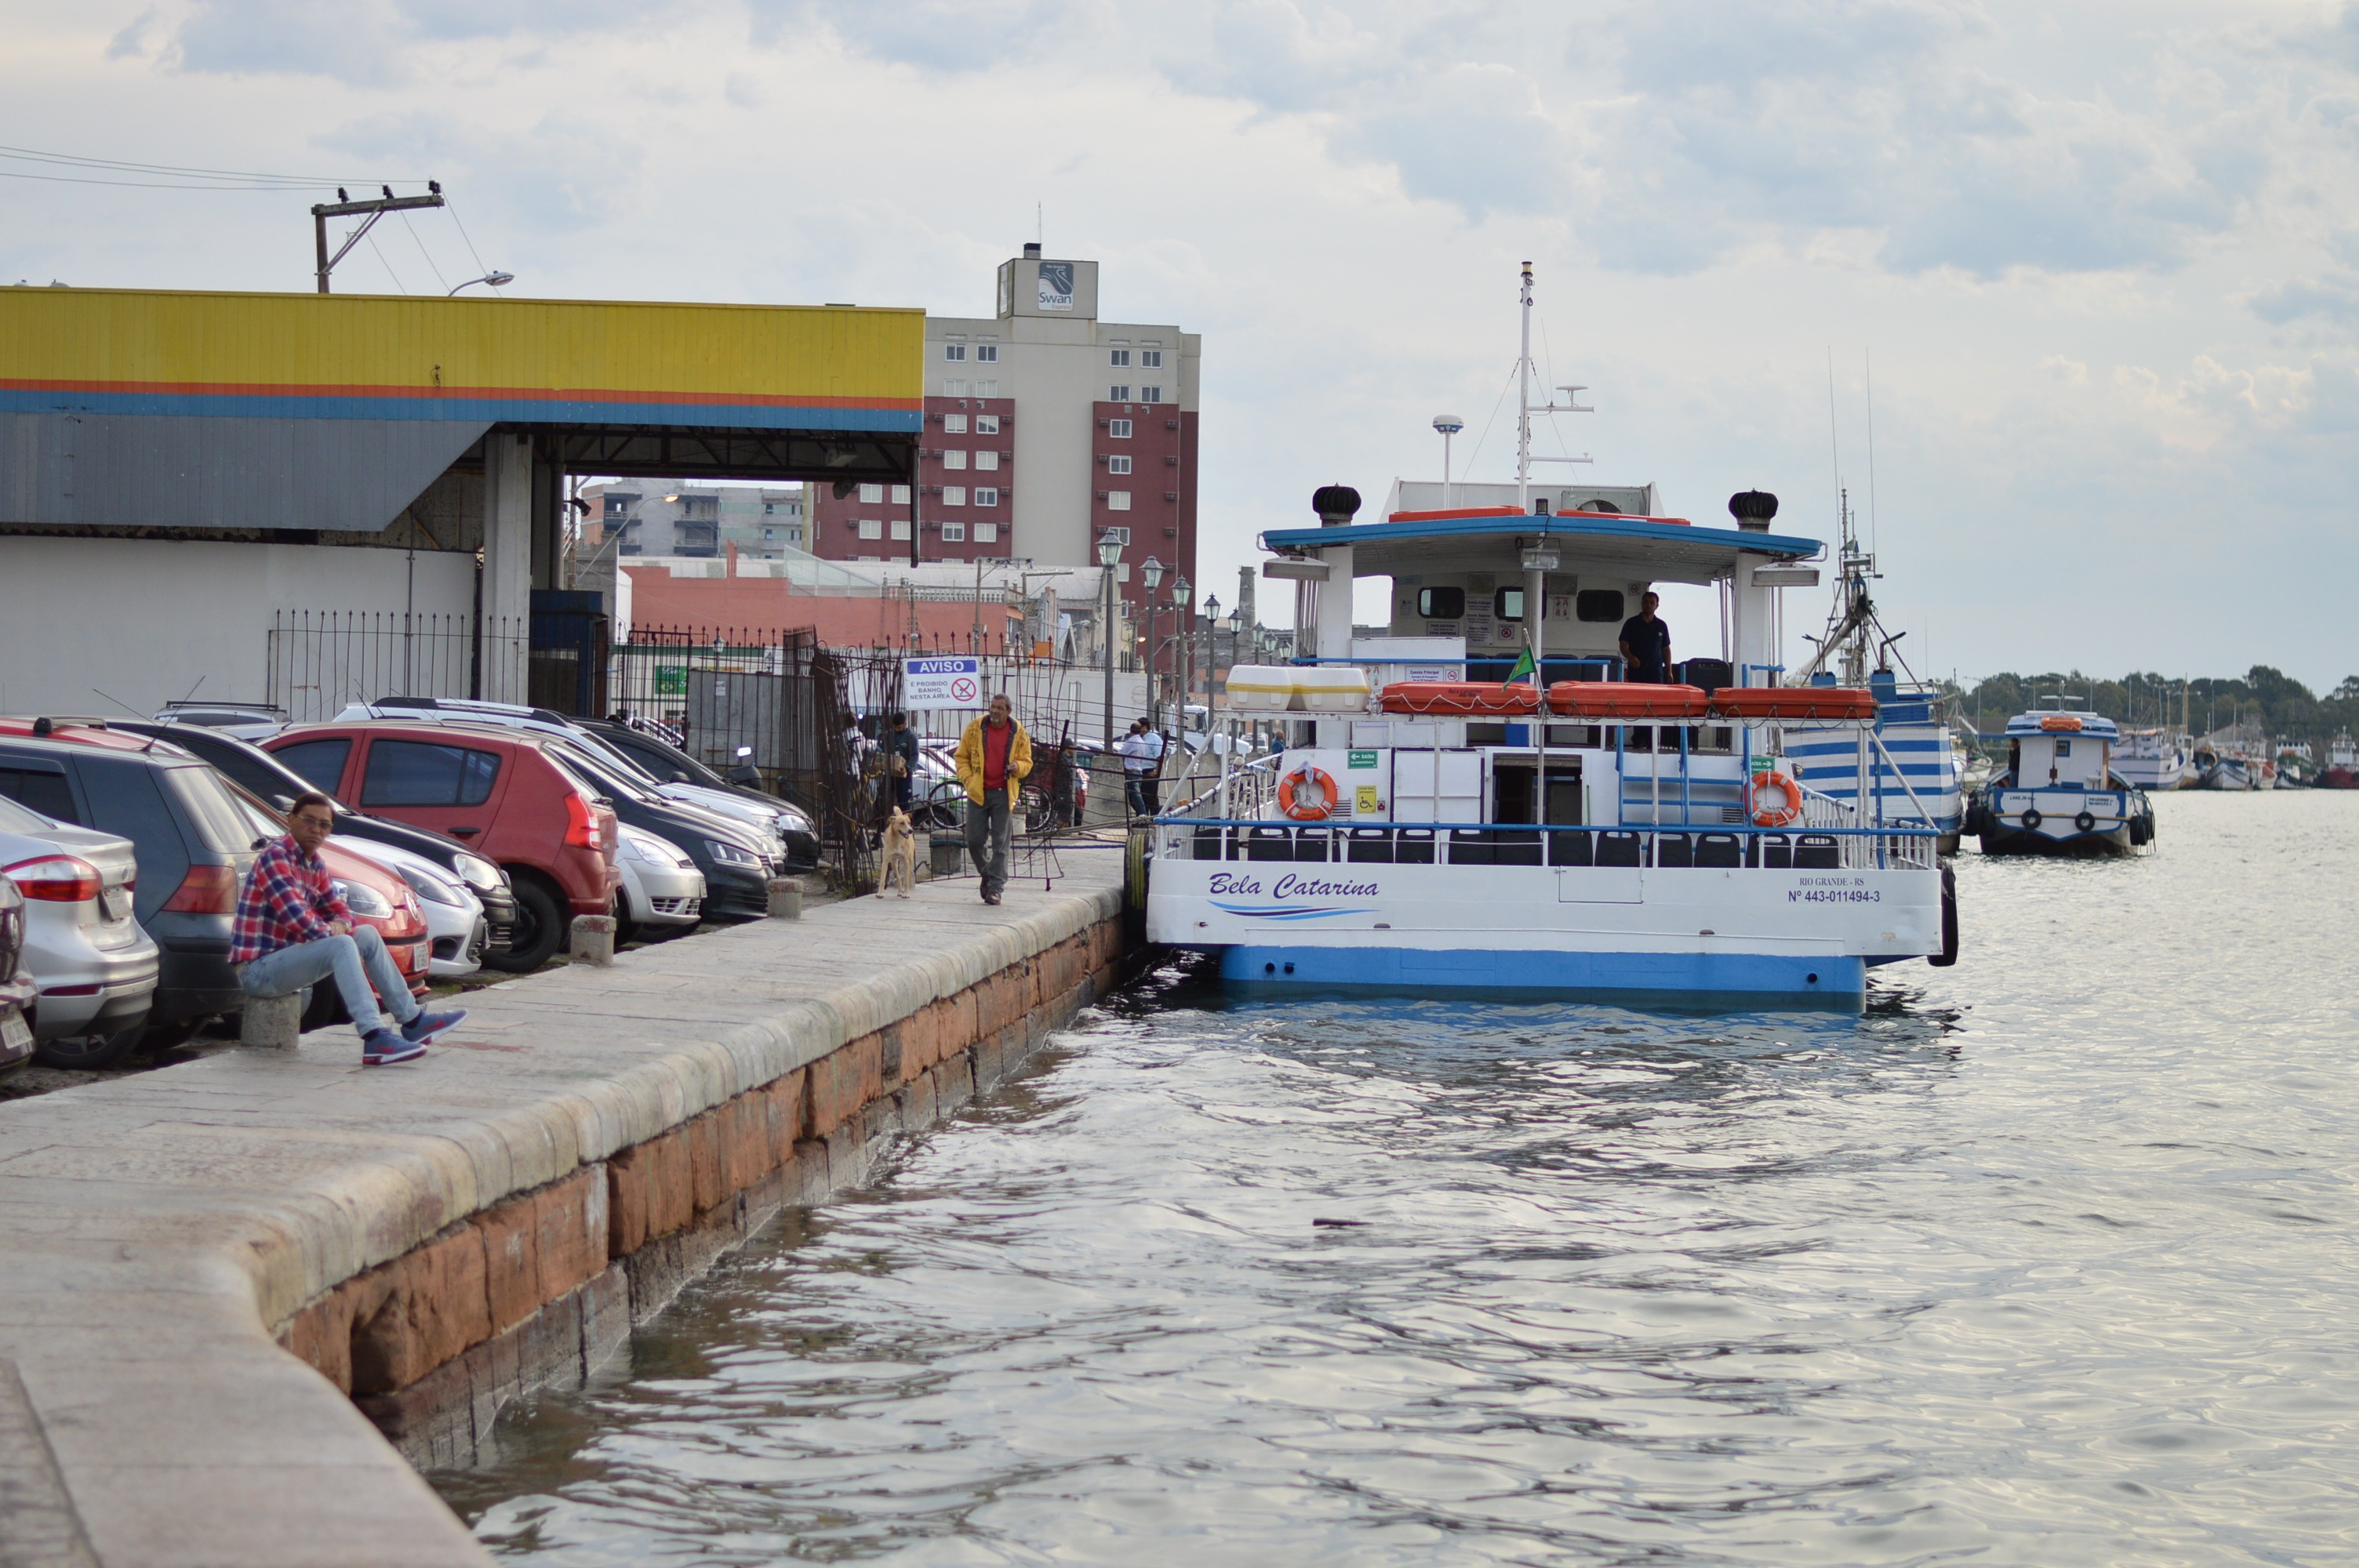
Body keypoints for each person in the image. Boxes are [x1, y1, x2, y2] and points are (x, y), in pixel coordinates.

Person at [231, 793, 464, 1066]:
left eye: (324, 825)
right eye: (309, 821)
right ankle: (374, 1036)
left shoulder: (313, 862)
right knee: (342, 944)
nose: (316, 830)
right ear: (291, 820)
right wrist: (336, 929)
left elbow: (343, 910)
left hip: (289, 959)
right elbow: (300, 922)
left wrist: (340, 923)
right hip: (258, 970)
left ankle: (412, 1021)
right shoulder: (276, 858)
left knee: (366, 935)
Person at [954, 693, 1032, 906]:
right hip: (977, 793)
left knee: (1000, 844)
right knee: (974, 840)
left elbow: (1027, 761)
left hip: (1003, 793)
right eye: (993, 707)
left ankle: (996, 888)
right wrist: (968, 779)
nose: (995, 711)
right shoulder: (975, 728)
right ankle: (988, 873)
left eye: (1000, 708)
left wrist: (1018, 767)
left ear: (1008, 711)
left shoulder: (1018, 732)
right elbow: (961, 757)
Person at [1618, 591, 1674, 683]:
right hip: (1636, 672)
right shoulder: (1631, 623)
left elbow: (1666, 648)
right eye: (1646, 602)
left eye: (1652, 603)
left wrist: (1669, 671)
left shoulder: (1661, 625)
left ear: (1657, 606)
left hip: (1656, 673)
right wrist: (1630, 658)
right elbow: (1623, 644)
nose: (1649, 605)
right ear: (1642, 604)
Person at [885, 711, 919, 812]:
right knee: (887, 803)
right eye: (895, 727)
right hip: (890, 775)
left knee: (904, 804)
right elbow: (883, 750)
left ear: (905, 724)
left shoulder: (911, 737)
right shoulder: (889, 735)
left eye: (899, 728)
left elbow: (914, 755)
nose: (897, 730)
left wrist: (907, 768)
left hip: (904, 776)